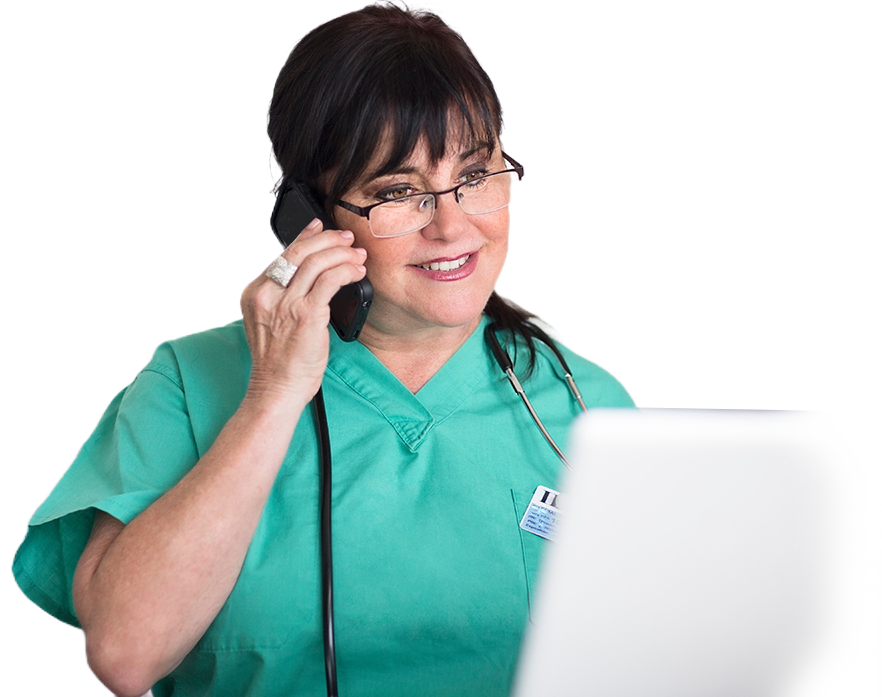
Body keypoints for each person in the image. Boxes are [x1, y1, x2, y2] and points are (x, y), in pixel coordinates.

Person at [11, 3, 636, 696]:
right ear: (309, 218)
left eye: (475, 175)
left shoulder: (587, 403)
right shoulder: (187, 385)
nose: (454, 225)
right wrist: (273, 395)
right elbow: (128, 655)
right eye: (398, 191)